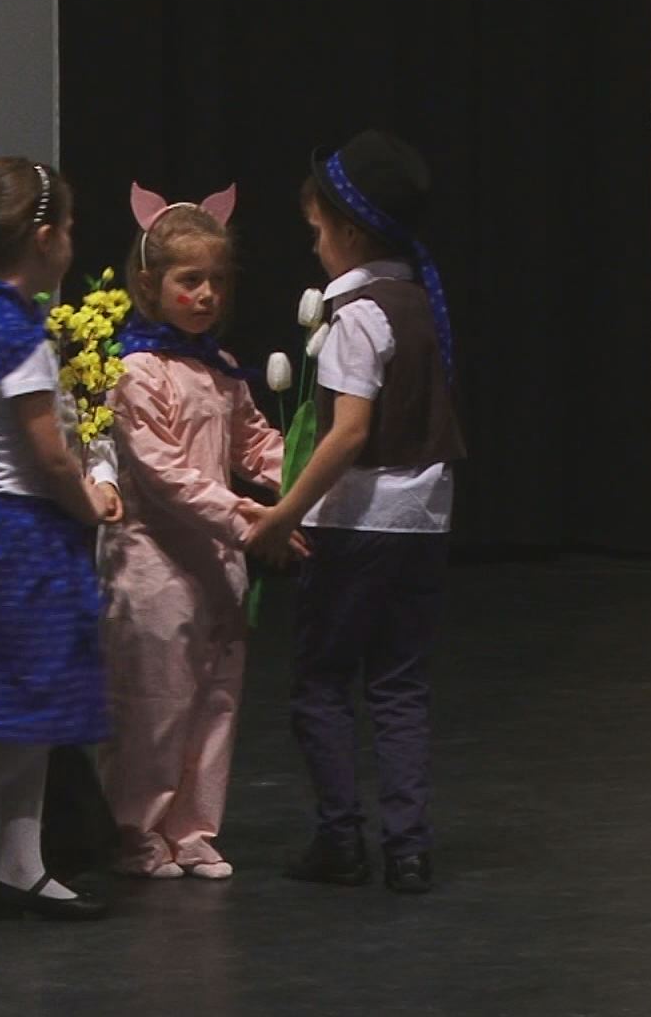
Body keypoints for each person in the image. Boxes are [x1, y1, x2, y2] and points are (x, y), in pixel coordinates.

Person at [247, 130, 465, 895]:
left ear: (348, 231)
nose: (314, 247)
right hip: (423, 521)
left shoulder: (356, 318)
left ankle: (340, 838)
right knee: (400, 685)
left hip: (356, 525)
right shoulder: (422, 304)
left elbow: (348, 433)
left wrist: (284, 514)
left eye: (317, 231)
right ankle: (408, 847)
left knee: (323, 681)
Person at [0, 157, 122, 921]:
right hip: (25, 533)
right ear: (45, 239)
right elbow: (48, 453)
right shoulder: (20, 338)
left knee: (29, 699)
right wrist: (90, 503)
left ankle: (20, 861)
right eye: (68, 227)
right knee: (43, 701)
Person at [98, 182, 283, 881]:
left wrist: (304, 485)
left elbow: (256, 444)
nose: (206, 295)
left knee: (216, 698)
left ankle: (195, 829)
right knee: (156, 705)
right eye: (190, 281)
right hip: (155, 568)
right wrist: (248, 519)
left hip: (217, 565)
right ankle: (137, 830)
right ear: (150, 284)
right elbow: (165, 475)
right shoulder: (135, 371)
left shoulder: (221, 370)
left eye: (217, 281)